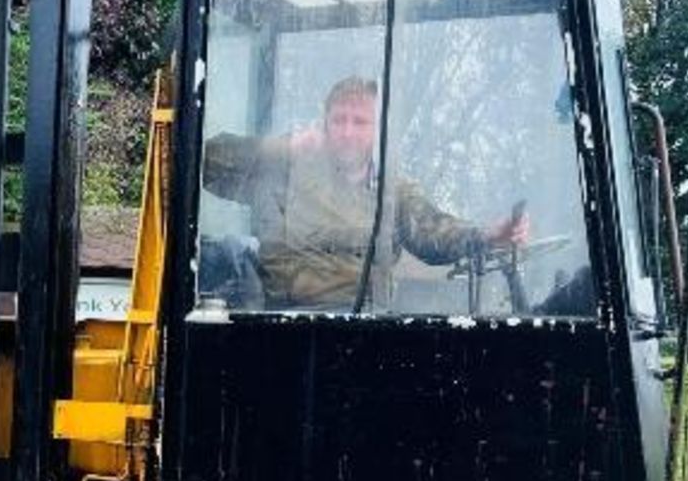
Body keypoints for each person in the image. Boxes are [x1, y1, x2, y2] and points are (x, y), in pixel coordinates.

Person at [201, 75, 528, 310]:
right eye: (338, 120)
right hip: (277, 322)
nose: (347, 132)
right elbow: (206, 164)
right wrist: (281, 145)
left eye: (360, 122)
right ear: (324, 124)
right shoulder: (283, 170)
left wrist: (487, 234)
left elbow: (431, 233)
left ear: (377, 131)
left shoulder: (392, 191)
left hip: (360, 326)